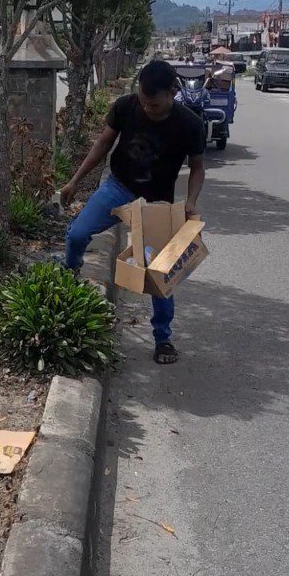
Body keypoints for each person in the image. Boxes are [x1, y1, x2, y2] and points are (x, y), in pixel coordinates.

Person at [60, 59, 205, 365]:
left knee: (160, 274)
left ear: (172, 92)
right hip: (118, 187)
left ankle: (163, 339)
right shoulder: (126, 106)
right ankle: (67, 281)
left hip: (157, 204)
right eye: (143, 100)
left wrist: (191, 200)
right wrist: (75, 181)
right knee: (76, 234)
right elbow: (102, 144)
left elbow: (197, 168)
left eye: (153, 104)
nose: (147, 108)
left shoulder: (190, 124)